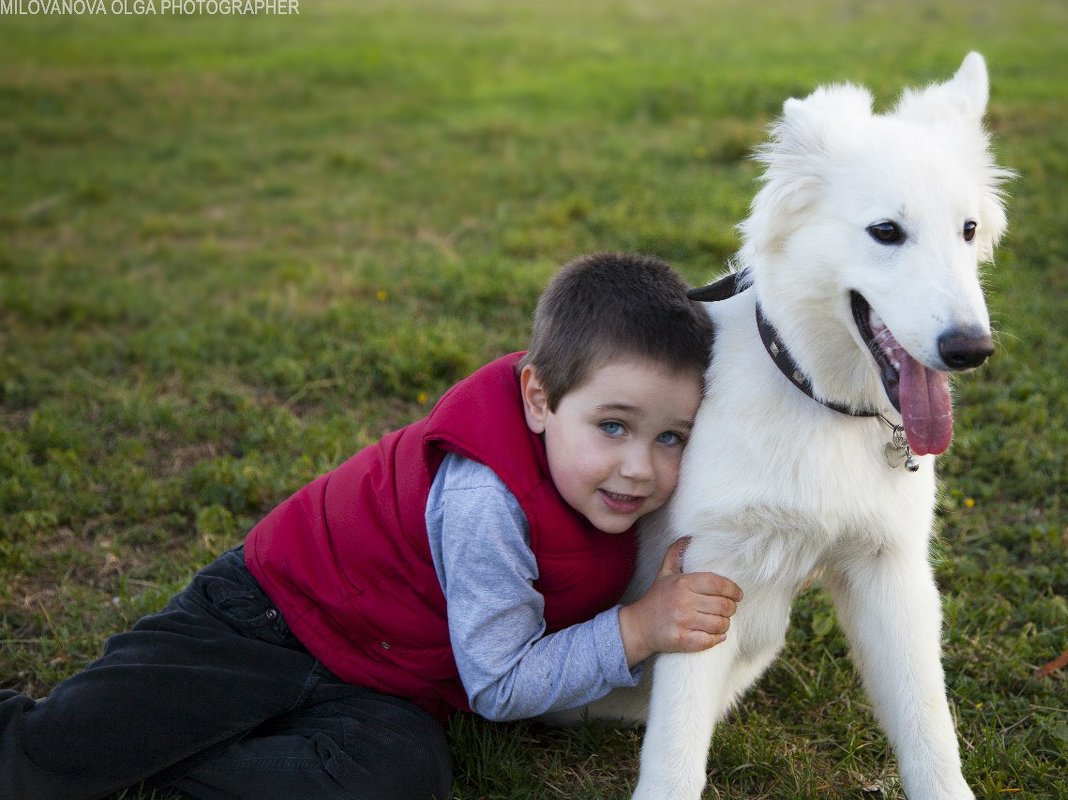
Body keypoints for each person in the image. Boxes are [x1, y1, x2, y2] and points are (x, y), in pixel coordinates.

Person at [0, 252, 744, 800]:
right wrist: (639, 629)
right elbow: (502, 682)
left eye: (670, 437)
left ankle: (156, 779)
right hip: (267, 617)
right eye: (613, 426)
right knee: (44, 761)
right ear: (539, 398)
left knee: (400, 783)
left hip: (386, 681)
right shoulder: (486, 498)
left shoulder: (620, 489)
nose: (640, 468)